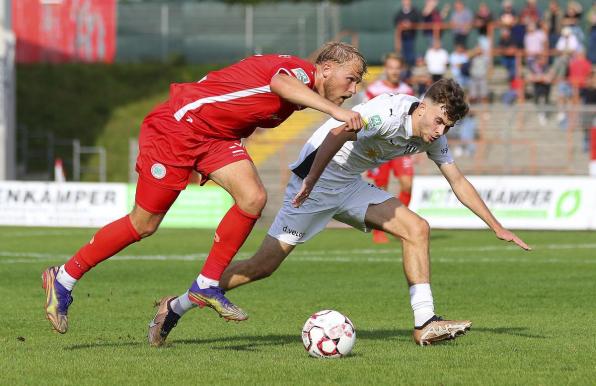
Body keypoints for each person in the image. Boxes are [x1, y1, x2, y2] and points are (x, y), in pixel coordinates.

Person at [148, 79, 531, 347]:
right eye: (439, 120)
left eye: (447, 125)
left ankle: (425, 323)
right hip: (315, 181)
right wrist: (311, 181)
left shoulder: (433, 135)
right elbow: (337, 134)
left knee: (417, 228)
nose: (440, 130)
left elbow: (458, 180)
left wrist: (496, 226)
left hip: (349, 184)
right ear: (425, 104)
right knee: (263, 266)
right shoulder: (387, 113)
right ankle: (177, 305)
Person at [41, 42, 367, 334]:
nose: (353, 89)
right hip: (179, 127)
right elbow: (278, 82)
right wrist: (337, 112)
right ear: (325, 69)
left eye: (358, 82)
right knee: (144, 224)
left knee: (253, 198)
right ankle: (64, 278)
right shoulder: (298, 72)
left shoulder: (305, 88)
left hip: (216, 138)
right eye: (350, 78)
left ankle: (207, 285)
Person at [362, 53, 415, 244]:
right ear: (386, 68)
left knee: (407, 185)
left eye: (397, 67)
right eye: (391, 67)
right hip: (379, 148)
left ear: (401, 69)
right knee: (380, 188)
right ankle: (380, 230)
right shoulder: (374, 90)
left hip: (401, 147)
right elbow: (365, 116)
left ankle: (399, 226)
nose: (394, 71)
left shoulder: (408, 91)